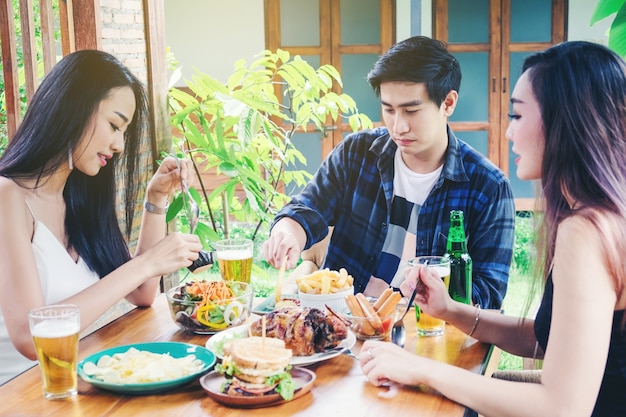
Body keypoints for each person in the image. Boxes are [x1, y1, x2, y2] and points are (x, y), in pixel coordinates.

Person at [359, 41, 626, 417]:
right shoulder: (602, 215)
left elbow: (562, 407)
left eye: (517, 116)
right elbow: (546, 337)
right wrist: (452, 310)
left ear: (566, 119)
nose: (507, 133)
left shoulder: (587, 230)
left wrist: (420, 368)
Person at [264, 36, 515, 309]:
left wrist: (436, 296)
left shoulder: (488, 187)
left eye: (411, 111)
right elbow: (307, 209)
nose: (399, 127)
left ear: (448, 103)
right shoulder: (356, 154)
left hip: (425, 335)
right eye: (389, 110)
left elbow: (488, 293)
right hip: (341, 327)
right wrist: (288, 233)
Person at [0, 50, 202, 385]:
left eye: (124, 132)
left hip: (69, 386)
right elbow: (29, 336)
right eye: (114, 125)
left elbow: (141, 294)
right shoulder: (8, 197)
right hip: (18, 396)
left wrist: (157, 198)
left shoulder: (79, 200)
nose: (120, 144)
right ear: (73, 108)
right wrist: (147, 262)